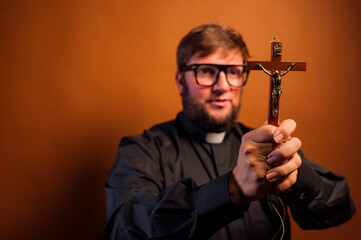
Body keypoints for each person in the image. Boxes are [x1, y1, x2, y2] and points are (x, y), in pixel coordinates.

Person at [103, 23, 355, 240]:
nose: (222, 86)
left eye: (234, 72)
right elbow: (125, 232)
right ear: (180, 81)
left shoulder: (267, 147)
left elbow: (340, 208)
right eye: (206, 71)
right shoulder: (142, 150)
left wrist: (293, 176)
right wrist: (232, 189)